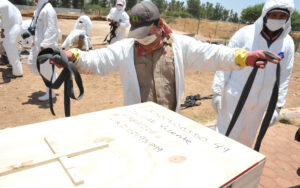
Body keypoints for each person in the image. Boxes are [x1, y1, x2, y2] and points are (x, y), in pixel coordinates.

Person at [52, 1, 280, 113]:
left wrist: (244, 57)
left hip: (171, 121)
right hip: (136, 122)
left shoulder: (180, 47)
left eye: (146, 34)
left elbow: (212, 54)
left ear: (160, 25)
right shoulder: (126, 48)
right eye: (138, 35)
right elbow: (98, 60)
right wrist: (72, 56)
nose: (142, 40)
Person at [211, 0, 295, 147]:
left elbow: (284, 76)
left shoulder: (287, 43)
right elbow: (226, 62)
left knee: (246, 141)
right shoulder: (245, 34)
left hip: (260, 103)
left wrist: (277, 106)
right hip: (235, 97)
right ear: (265, 14)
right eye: (273, 15)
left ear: (287, 18)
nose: (277, 19)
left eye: (282, 16)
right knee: (225, 136)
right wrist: (217, 91)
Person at [27, 0, 60, 101]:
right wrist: (33, 41)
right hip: (38, 44)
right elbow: (38, 28)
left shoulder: (48, 9)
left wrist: (45, 46)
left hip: (45, 46)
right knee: (32, 63)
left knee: (46, 70)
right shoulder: (40, 8)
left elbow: (52, 29)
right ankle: (54, 78)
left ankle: (50, 93)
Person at [0, 0, 23, 78]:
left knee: (11, 51)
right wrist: (3, 30)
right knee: (9, 48)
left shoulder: (3, 3)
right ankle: (12, 64)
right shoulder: (10, 5)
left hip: (12, 29)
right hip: (13, 28)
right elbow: (5, 20)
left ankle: (17, 72)